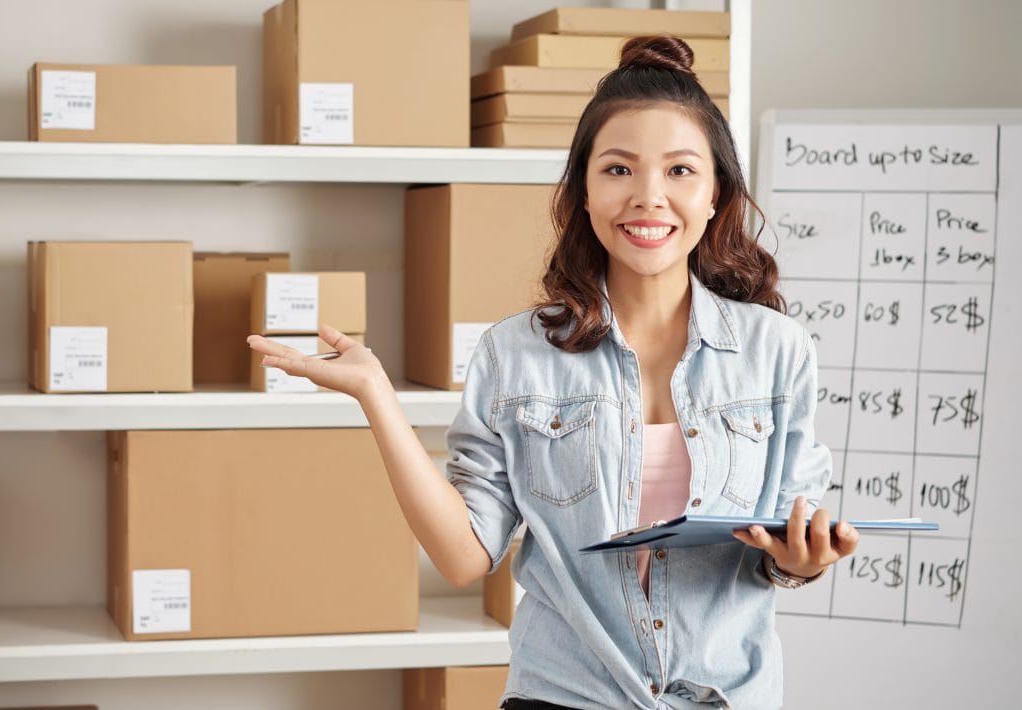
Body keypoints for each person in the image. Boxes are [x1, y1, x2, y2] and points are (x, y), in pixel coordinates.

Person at [249, 35, 859, 710]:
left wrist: (800, 559)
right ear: (585, 193)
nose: (648, 197)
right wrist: (375, 395)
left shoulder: (778, 352)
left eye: (680, 171)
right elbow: (462, 558)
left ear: (717, 192)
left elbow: (788, 537)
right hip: (566, 696)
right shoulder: (514, 355)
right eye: (619, 170)